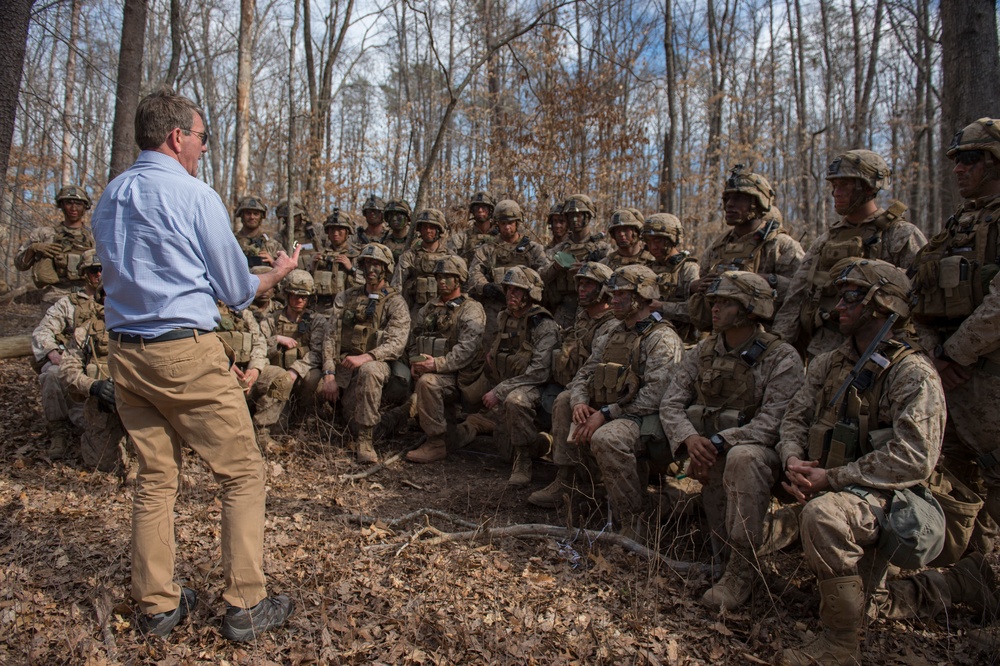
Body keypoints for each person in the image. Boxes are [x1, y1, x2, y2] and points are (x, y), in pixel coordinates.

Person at [91, 87, 298, 641]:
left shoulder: (110, 197)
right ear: (177, 136)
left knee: (156, 478)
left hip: (126, 354)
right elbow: (235, 288)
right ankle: (245, 604)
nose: (204, 148)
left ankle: (157, 606)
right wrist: (274, 274)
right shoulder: (193, 195)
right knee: (242, 472)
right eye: (202, 138)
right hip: (184, 351)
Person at [776, 259, 952, 665]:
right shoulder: (829, 363)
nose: (839, 306)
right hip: (832, 480)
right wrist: (792, 460)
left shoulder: (911, 372)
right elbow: (794, 418)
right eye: (839, 296)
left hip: (896, 497)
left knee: (824, 517)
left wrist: (831, 478)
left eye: (851, 296)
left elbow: (915, 458)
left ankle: (840, 646)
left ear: (882, 304)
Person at [659, 271, 804, 609]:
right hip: (706, 449)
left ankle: (745, 569)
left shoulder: (781, 357)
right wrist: (691, 439)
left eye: (725, 302)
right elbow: (671, 401)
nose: (715, 308)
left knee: (742, 459)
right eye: (714, 301)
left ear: (750, 309)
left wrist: (719, 442)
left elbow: (774, 422)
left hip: (756, 454)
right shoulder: (704, 350)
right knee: (719, 545)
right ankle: (762, 538)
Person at [910, 117, 1000, 555]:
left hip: (985, 371)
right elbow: (920, 294)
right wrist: (936, 357)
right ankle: (972, 576)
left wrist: (956, 355)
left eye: (970, 159)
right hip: (951, 374)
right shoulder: (958, 223)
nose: (959, 169)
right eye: (956, 161)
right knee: (958, 479)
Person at [568, 265, 684, 540]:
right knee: (566, 407)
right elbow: (586, 371)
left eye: (622, 294)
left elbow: (656, 395)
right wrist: (579, 402)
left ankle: (633, 521)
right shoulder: (612, 332)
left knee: (607, 439)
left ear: (642, 297)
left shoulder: (661, 337)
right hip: (614, 410)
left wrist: (607, 414)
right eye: (613, 293)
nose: (613, 299)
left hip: (647, 418)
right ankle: (590, 491)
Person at [773, 152, 924, 357]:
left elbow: (922, 297)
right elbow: (797, 295)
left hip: (883, 351)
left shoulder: (900, 234)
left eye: (845, 185)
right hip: (826, 350)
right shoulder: (826, 240)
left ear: (869, 187)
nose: (836, 193)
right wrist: (778, 346)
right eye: (834, 186)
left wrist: (928, 351)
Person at [456, 266, 561, 485]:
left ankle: (524, 461)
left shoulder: (544, 324)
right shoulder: (504, 316)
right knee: (504, 453)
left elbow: (540, 372)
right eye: (509, 289)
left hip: (536, 388)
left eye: (518, 290)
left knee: (515, 401)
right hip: (509, 384)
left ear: (530, 293)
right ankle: (540, 443)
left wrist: (500, 391)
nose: (511, 295)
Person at [528, 262, 618, 508]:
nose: (580, 288)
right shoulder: (583, 316)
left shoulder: (611, 325)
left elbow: (594, 367)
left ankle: (569, 479)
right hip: (575, 383)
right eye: (579, 283)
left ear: (603, 290)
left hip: (601, 391)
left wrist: (578, 395)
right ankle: (568, 475)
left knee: (563, 402)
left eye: (588, 284)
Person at [320, 243, 410, 463]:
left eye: (377, 264)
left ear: (386, 269)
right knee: (346, 418)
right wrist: (329, 374)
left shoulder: (395, 302)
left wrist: (367, 357)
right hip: (346, 367)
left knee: (369, 371)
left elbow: (396, 343)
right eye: (367, 263)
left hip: (379, 364)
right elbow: (330, 337)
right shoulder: (346, 297)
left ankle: (366, 440)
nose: (371, 269)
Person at [688, 165, 803, 333]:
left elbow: (800, 293)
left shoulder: (780, 245)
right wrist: (697, 287)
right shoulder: (717, 247)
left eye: (739, 199)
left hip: (767, 339)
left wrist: (769, 280)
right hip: (722, 338)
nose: (730, 205)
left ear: (758, 203)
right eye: (727, 199)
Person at [406, 256, 486, 463]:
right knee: (454, 437)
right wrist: (415, 362)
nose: (442, 281)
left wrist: (434, 365)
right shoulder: (427, 309)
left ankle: (435, 444)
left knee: (427, 383)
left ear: (459, 280)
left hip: (462, 378)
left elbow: (467, 350)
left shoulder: (471, 309)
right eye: (439, 276)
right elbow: (413, 341)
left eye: (448, 277)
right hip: (436, 372)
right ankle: (471, 426)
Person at [31, 249, 104, 458]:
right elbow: (43, 331)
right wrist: (53, 353)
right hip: (76, 363)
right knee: (52, 374)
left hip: (106, 364)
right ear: (84, 273)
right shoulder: (69, 303)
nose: (99, 275)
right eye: (94, 270)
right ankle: (58, 433)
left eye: (103, 269)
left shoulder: (117, 299)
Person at [467, 199, 549, 349]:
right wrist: (485, 287)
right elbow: (474, 272)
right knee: (490, 345)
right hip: (495, 306)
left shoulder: (532, 248)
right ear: (497, 223)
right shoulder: (488, 248)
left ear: (518, 223)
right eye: (503, 223)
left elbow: (543, 272)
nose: (507, 227)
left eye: (511, 222)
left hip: (526, 306)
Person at [256, 270, 325, 439]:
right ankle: (265, 428)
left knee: (314, 377)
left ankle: (305, 414)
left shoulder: (316, 320)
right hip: (277, 377)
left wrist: (295, 370)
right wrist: (276, 339)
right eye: (294, 295)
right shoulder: (271, 320)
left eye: (304, 296)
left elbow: (317, 352)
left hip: (300, 376)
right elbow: (259, 347)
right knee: (279, 428)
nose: (299, 300)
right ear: (286, 295)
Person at [540, 193, 612, 328]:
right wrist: (556, 267)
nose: (574, 220)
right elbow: (540, 276)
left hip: (595, 307)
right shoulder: (558, 250)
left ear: (588, 216)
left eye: (578, 215)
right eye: (570, 216)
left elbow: (614, 279)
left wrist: (589, 269)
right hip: (565, 307)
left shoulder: (602, 249)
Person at [15, 184, 95, 302]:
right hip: (54, 295)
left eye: (78, 204)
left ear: (85, 207)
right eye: (69, 203)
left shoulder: (94, 237)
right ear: (61, 205)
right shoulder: (44, 234)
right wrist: (33, 248)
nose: (73, 208)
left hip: (87, 295)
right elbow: (20, 265)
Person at [643, 213, 700, 343]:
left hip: (684, 341)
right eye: (649, 241)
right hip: (651, 340)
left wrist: (663, 307)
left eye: (657, 241)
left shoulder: (688, 268)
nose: (653, 247)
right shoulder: (647, 269)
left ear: (672, 239)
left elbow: (697, 312)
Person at [391, 208, 454, 320]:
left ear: (439, 229)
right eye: (424, 227)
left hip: (445, 311)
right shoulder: (409, 256)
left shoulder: (451, 257)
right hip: (415, 310)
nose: (428, 230)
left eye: (432, 227)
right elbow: (397, 287)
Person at [311, 209, 359, 307]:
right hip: (321, 308)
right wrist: (313, 267)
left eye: (339, 230)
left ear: (347, 232)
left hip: (347, 307)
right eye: (332, 230)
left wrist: (351, 269)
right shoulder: (320, 255)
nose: (335, 233)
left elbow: (366, 282)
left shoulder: (356, 255)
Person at [448, 190, 498, 265]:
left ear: (490, 210)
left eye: (484, 207)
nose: (480, 210)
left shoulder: (501, 236)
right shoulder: (461, 238)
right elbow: (448, 260)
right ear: (472, 210)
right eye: (477, 207)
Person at [234, 196, 284, 268]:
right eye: (248, 213)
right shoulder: (232, 242)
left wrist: (273, 262)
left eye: (256, 214)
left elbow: (286, 269)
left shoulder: (272, 245)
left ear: (261, 217)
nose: (252, 217)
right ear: (241, 215)